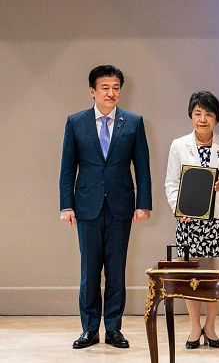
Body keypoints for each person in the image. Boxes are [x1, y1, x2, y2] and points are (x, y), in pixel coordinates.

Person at [59, 65, 152, 349]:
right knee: (89, 272)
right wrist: (66, 206)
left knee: (116, 270)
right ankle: (89, 329)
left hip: (122, 206)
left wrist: (143, 204)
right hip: (86, 206)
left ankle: (113, 328)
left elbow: (143, 167)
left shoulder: (133, 122)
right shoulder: (76, 122)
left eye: (116, 88)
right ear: (92, 91)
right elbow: (67, 167)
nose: (111, 93)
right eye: (105, 88)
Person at [165, 91, 219, 349]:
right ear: (191, 116)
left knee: (215, 275)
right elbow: (171, 184)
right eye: (198, 113)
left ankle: (210, 326)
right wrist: (180, 208)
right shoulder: (179, 145)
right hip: (189, 222)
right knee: (191, 276)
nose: (203, 119)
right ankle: (194, 327)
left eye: (208, 114)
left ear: (216, 118)